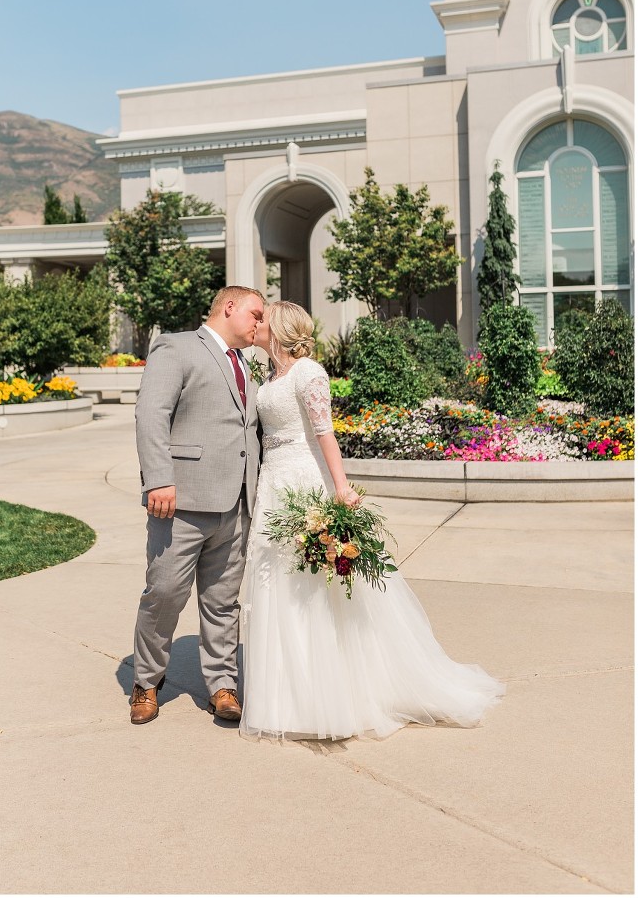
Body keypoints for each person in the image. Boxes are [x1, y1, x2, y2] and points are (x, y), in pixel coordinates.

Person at [240, 300, 505, 741]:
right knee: (278, 585)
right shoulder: (269, 375)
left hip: (306, 482)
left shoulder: (308, 372)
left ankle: (331, 699)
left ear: (282, 327)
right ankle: (287, 700)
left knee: (315, 589)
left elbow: (325, 432)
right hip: (274, 486)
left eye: (263, 317)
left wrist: (341, 489)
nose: (257, 323)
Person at [130, 285, 265, 725]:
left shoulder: (246, 365)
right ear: (230, 306)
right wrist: (159, 479)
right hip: (181, 501)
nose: (260, 325)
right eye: (256, 315)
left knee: (223, 602)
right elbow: (151, 413)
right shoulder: (177, 347)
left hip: (237, 501)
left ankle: (223, 686)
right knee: (165, 593)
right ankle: (146, 682)